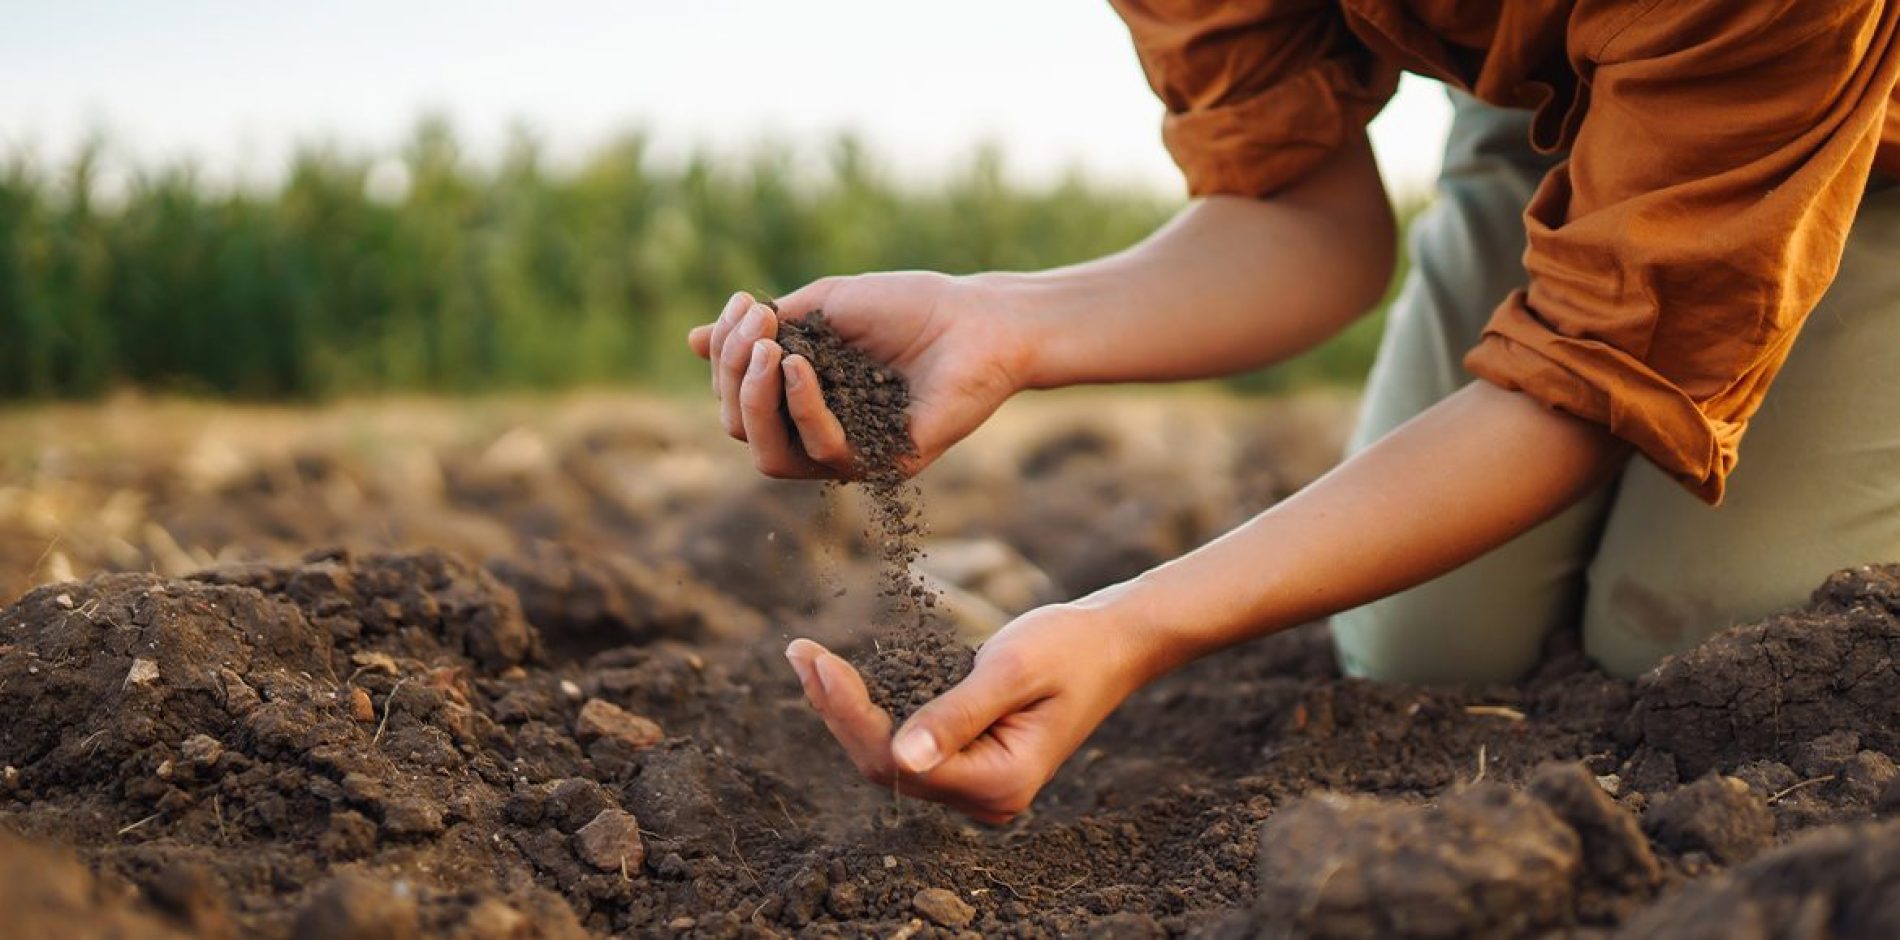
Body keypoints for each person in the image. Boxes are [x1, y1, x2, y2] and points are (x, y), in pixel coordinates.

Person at [689, 1, 1900, 823]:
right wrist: (1009, 321)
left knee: (1712, 647)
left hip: (1847, 116)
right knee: (1422, 650)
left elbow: (1594, 376)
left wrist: (1135, 622)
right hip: (1567, 99)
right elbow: (1299, 220)